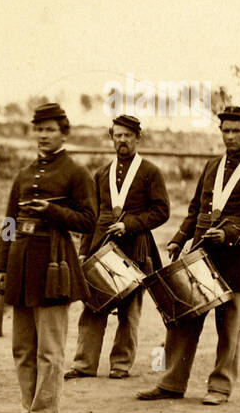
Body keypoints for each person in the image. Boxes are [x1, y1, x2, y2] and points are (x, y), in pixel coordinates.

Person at [138, 105, 240, 405]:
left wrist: (230, 234)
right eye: (226, 131)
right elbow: (194, 211)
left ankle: (220, 387)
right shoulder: (212, 166)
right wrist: (178, 239)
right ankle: (172, 382)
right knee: (183, 319)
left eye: (237, 131)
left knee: (230, 327)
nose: (231, 137)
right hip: (201, 255)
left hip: (238, 259)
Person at [0, 102, 96, 413]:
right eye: (39, 129)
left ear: (64, 133)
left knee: (49, 349)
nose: (43, 135)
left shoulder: (76, 174)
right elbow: (9, 222)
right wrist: (0, 266)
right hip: (21, 266)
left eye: (50, 130)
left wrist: (52, 210)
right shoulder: (24, 174)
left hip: (54, 264)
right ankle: (27, 408)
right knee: (22, 347)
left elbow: (88, 221)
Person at [66, 114, 169, 380]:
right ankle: (84, 364)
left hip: (136, 249)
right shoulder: (101, 173)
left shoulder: (150, 172)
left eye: (127, 136)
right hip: (101, 248)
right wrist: (83, 250)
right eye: (117, 135)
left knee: (130, 311)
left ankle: (121, 365)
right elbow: (92, 216)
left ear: (138, 138)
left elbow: (161, 211)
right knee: (92, 307)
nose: (122, 140)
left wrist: (130, 225)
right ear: (112, 138)